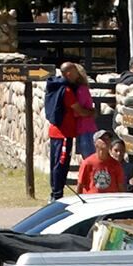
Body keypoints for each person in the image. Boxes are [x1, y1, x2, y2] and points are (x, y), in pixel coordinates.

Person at [42, 61, 97, 202]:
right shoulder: (66, 91)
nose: (76, 75)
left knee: (55, 163)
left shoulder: (55, 86)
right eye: (73, 71)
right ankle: (57, 195)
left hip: (56, 131)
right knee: (61, 164)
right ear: (67, 73)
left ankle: (54, 193)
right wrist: (92, 112)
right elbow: (79, 110)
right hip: (64, 133)